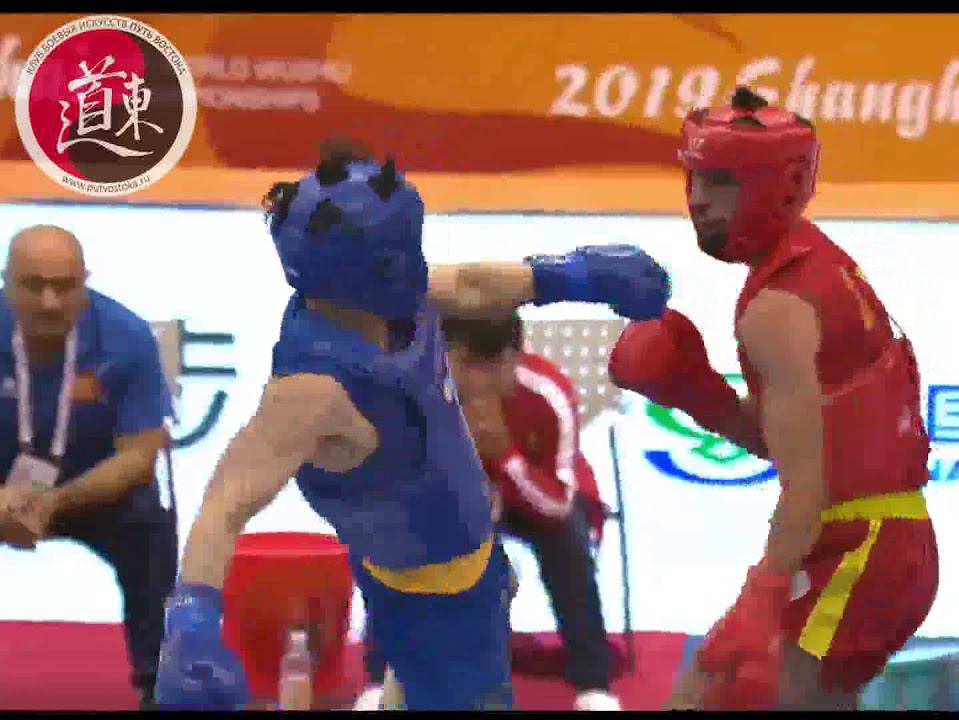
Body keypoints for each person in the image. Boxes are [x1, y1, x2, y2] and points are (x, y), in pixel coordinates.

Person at [152, 141, 670, 711]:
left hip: (466, 566)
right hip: (428, 599)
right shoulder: (312, 389)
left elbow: (473, 286)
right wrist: (192, 621)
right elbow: (225, 504)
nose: (416, 263)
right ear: (372, 264)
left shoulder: (392, 298)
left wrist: (574, 276)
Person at [608, 87, 939, 710]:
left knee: (715, 696)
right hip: (873, 543)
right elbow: (794, 443)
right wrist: (700, 396)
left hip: (858, 548)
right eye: (695, 178)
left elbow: (805, 487)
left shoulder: (777, 307)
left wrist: (758, 598)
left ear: (773, 187)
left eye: (721, 183)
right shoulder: (811, 260)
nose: (697, 200)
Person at [0, 225, 177, 710]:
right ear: (7, 283)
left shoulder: (126, 336)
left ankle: (157, 683)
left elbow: (139, 456)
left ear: (85, 281)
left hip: (91, 491)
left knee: (149, 528)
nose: (50, 301)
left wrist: (53, 502)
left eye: (64, 285)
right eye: (33, 285)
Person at [443, 310, 620, 711]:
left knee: (568, 540)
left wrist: (505, 455)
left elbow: (558, 503)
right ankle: (384, 672)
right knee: (403, 533)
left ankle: (593, 680)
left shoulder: (548, 392)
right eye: (466, 364)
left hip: (544, 495)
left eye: (489, 366)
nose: (477, 381)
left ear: (514, 358)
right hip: (466, 498)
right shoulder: (432, 391)